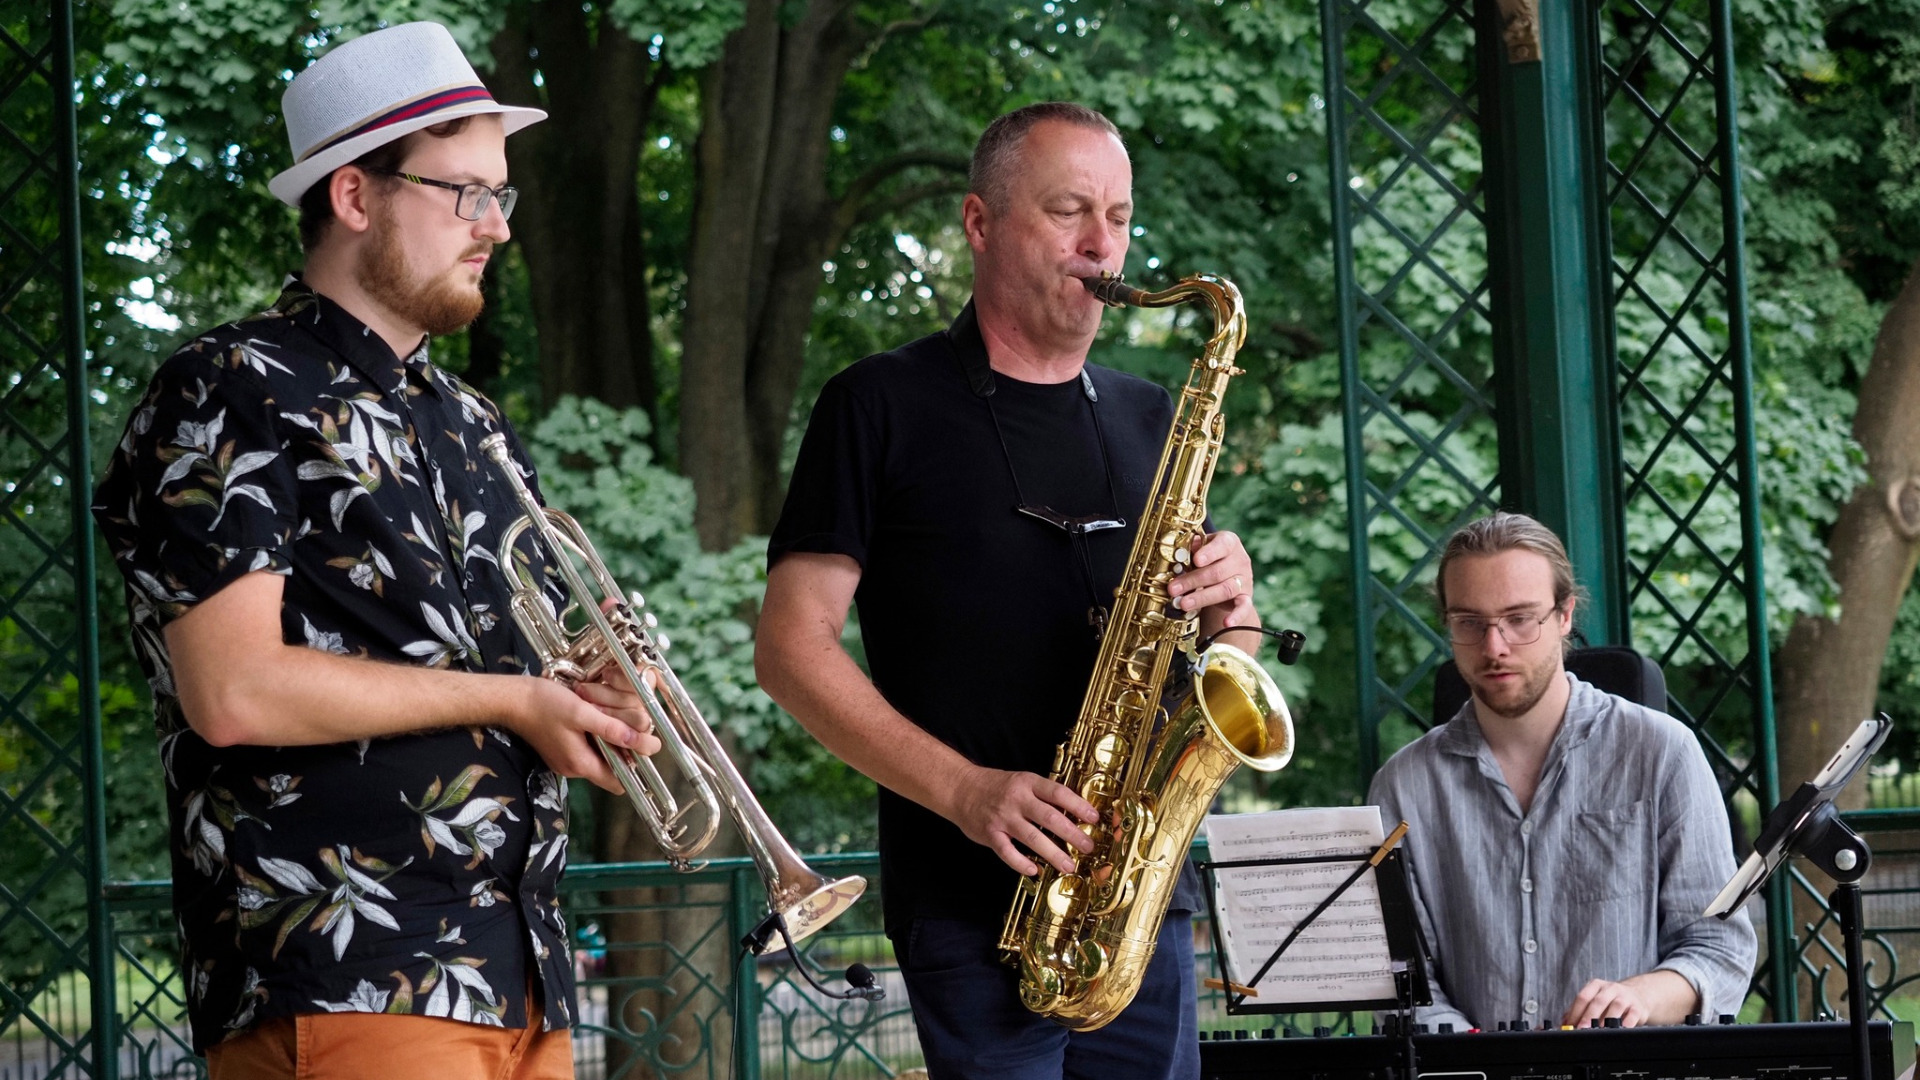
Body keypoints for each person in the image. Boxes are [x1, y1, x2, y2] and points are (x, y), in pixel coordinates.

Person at [90, 22, 659, 1079]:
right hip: (347, 970)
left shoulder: (473, 422)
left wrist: (586, 696)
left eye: (503, 196)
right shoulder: (228, 386)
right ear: (356, 196)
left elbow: (508, 677)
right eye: (465, 195)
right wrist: (513, 701)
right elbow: (237, 691)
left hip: (523, 969)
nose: (495, 227)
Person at [754, 102, 1263, 1080]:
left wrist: (1229, 603)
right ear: (980, 223)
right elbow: (790, 648)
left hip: (1140, 900)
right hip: (968, 898)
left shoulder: (1152, 413)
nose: (1101, 243)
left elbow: (1220, 663)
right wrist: (966, 792)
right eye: (1070, 210)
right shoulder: (877, 404)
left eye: (1117, 215)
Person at [1368, 512, 1757, 1031]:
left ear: (1565, 615)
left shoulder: (1663, 753)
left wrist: (1640, 997)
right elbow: (1403, 985)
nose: (1495, 647)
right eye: (1469, 623)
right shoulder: (1402, 785)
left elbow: (1720, 949)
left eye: (1520, 619)